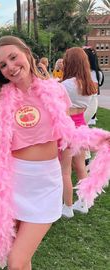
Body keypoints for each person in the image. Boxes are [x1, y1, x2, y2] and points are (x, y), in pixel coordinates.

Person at [0, 36, 110, 269]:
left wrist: (98, 138)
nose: (10, 66)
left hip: (45, 184)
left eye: (13, 57)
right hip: (13, 183)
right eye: (2, 65)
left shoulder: (56, 91)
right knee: (23, 259)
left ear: (27, 53)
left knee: (16, 261)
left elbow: (69, 134)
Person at [60, 47, 97, 218]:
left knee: (65, 171)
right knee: (81, 167)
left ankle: (67, 207)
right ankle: (84, 203)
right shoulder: (89, 84)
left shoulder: (66, 85)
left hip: (68, 129)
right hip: (81, 126)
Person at [83, 47, 104, 125]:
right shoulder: (83, 72)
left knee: (81, 125)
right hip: (81, 103)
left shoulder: (95, 73)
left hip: (89, 104)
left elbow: (92, 91)